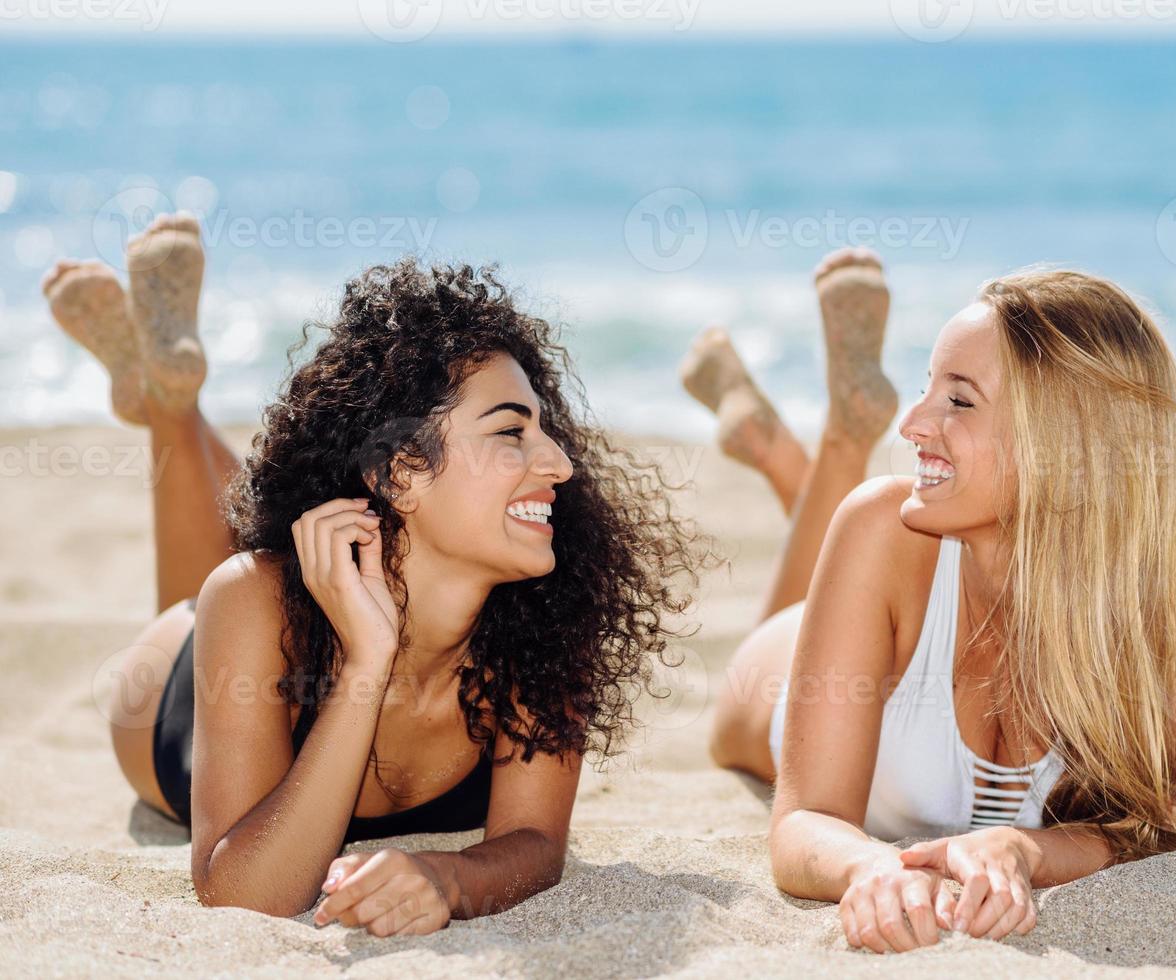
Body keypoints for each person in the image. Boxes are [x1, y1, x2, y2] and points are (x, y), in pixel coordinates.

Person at [42, 213, 708, 934]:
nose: (560, 464)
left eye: (546, 431)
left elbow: (536, 845)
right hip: (180, 690)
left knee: (259, 552)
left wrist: (447, 877)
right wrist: (366, 663)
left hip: (327, 591)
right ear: (400, 471)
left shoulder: (543, 621)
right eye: (512, 432)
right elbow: (243, 893)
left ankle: (163, 390)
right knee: (218, 582)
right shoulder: (253, 597)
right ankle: (173, 407)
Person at [694, 247, 1176, 954]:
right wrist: (874, 868)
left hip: (888, 598)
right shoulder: (882, 524)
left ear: (1066, 443)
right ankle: (825, 437)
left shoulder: (1168, 554)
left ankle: (772, 440)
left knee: (837, 558)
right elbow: (804, 818)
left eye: (958, 400)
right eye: (927, 387)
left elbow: (1161, 813)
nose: (913, 423)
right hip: (787, 672)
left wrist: (1025, 851)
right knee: (770, 653)